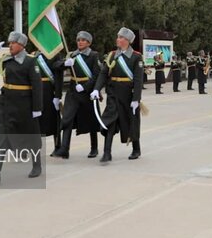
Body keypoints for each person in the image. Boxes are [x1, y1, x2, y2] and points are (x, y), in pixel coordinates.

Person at [0, 32, 43, 184]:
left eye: (13, 43)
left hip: (24, 106)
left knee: (30, 136)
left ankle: (37, 165)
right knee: (1, 137)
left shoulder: (30, 62)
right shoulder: (6, 60)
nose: (10, 45)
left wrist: (37, 108)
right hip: (6, 105)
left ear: (22, 45)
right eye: (9, 43)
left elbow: (37, 86)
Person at [92, 27, 144, 163]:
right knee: (110, 122)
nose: (118, 39)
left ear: (127, 41)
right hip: (113, 93)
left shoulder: (136, 57)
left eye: (121, 37)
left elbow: (138, 80)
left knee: (131, 122)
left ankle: (136, 149)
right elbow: (104, 73)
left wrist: (136, 99)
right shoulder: (112, 55)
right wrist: (97, 89)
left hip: (128, 95)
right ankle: (107, 152)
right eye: (118, 37)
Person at [53, 31, 101, 159]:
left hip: (87, 92)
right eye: (78, 39)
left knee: (91, 120)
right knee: (67, 119)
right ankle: (64, 149)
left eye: (83, 40)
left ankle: (94, 148)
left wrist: (85, 87)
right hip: (73, 92)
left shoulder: (93, 56)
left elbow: (97, 75)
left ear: (89, 43)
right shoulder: (72, 55)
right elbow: (55, 66)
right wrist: (65, 63)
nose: (80, 41)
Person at [34, 50, 64, 157]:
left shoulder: (55, 55)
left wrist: (58, 96)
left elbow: (59, 77)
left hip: (49, 91)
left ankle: (58, 146)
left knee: (53, 120)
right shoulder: (34, 55)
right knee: (35, 122)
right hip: (36, 91)